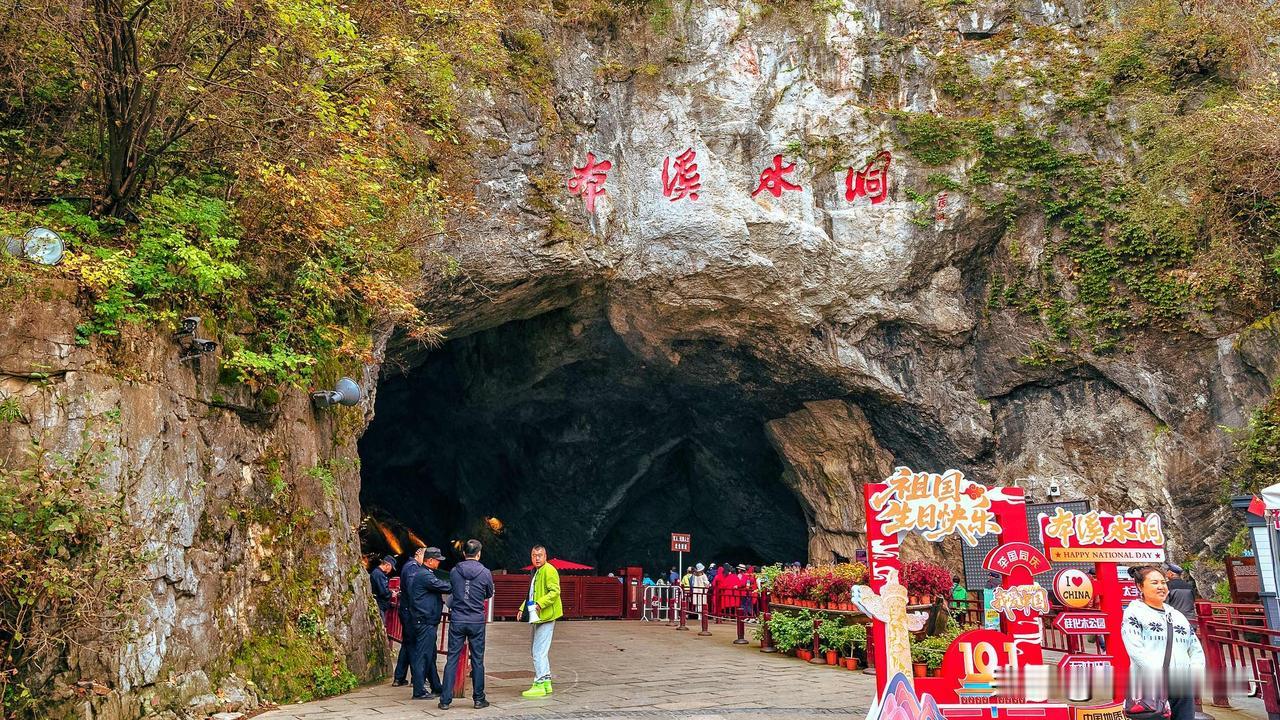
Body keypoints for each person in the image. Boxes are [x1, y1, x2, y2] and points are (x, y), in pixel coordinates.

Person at [1121, 565, 1204, 720]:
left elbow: (1194, 647)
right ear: (1140, 586)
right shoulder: (1134, 613)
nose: (1161, 587)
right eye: (1154, 583)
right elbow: (1135, 649)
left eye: (1163, 582)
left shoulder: (1177, 616)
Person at [439, 539, 494, 710]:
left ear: (464, 553)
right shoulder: (485, 572)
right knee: (478, 659)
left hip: (458, 619)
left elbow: (453, 590)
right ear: (479, 553)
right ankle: (478, 699)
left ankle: (445, 700)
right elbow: (489, 593)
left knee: (452, 658)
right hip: (476, 620)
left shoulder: (455, 571)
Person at [404, 546, 451, 700]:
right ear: (430, 561)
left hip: (425, 620)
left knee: (430, 655)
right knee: (422, 656)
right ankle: (419, 690)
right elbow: (443, 586)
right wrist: (458, 583)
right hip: (425, 621)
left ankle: (436, 686)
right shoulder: (425, 575)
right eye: (437, 560)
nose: (439, 563)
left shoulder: (423, 573)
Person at [517, 545, 562, 697]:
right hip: (539, 616)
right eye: (534, 555)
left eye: (540, 555)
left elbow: (555, 591)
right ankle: (547, 682)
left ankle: (540, 683)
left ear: (545, 556)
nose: (537, 558)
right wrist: (522, 608)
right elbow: (531, 594)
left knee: (538, 651)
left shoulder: (549, 570)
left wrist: (539, 604)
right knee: (538, 650)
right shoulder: (536, 571)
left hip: (547, 615)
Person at [392, 552, 422, 687]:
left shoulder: (409, 566)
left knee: (407, 644)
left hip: (406, 610)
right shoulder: (413, 568)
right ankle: (416, 678)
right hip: (409, 611)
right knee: (413, 645)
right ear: (419, 555)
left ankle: (399, 677)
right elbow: (411, 589)